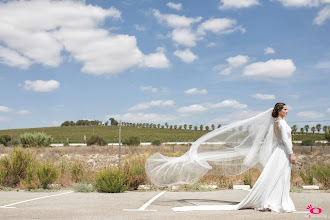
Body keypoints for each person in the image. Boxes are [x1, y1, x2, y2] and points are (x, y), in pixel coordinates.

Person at [146, 103, 297, 213]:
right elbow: (285, 140)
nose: (287, 111)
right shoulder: (282, 124)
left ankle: (274, 200)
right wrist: (291, 153)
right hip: (283, 152)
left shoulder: (276, 123)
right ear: (279, 111)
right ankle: (278, 202)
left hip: (280, 151)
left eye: (286, 109)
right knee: (280, 176)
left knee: (278, 176)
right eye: (285, 109)